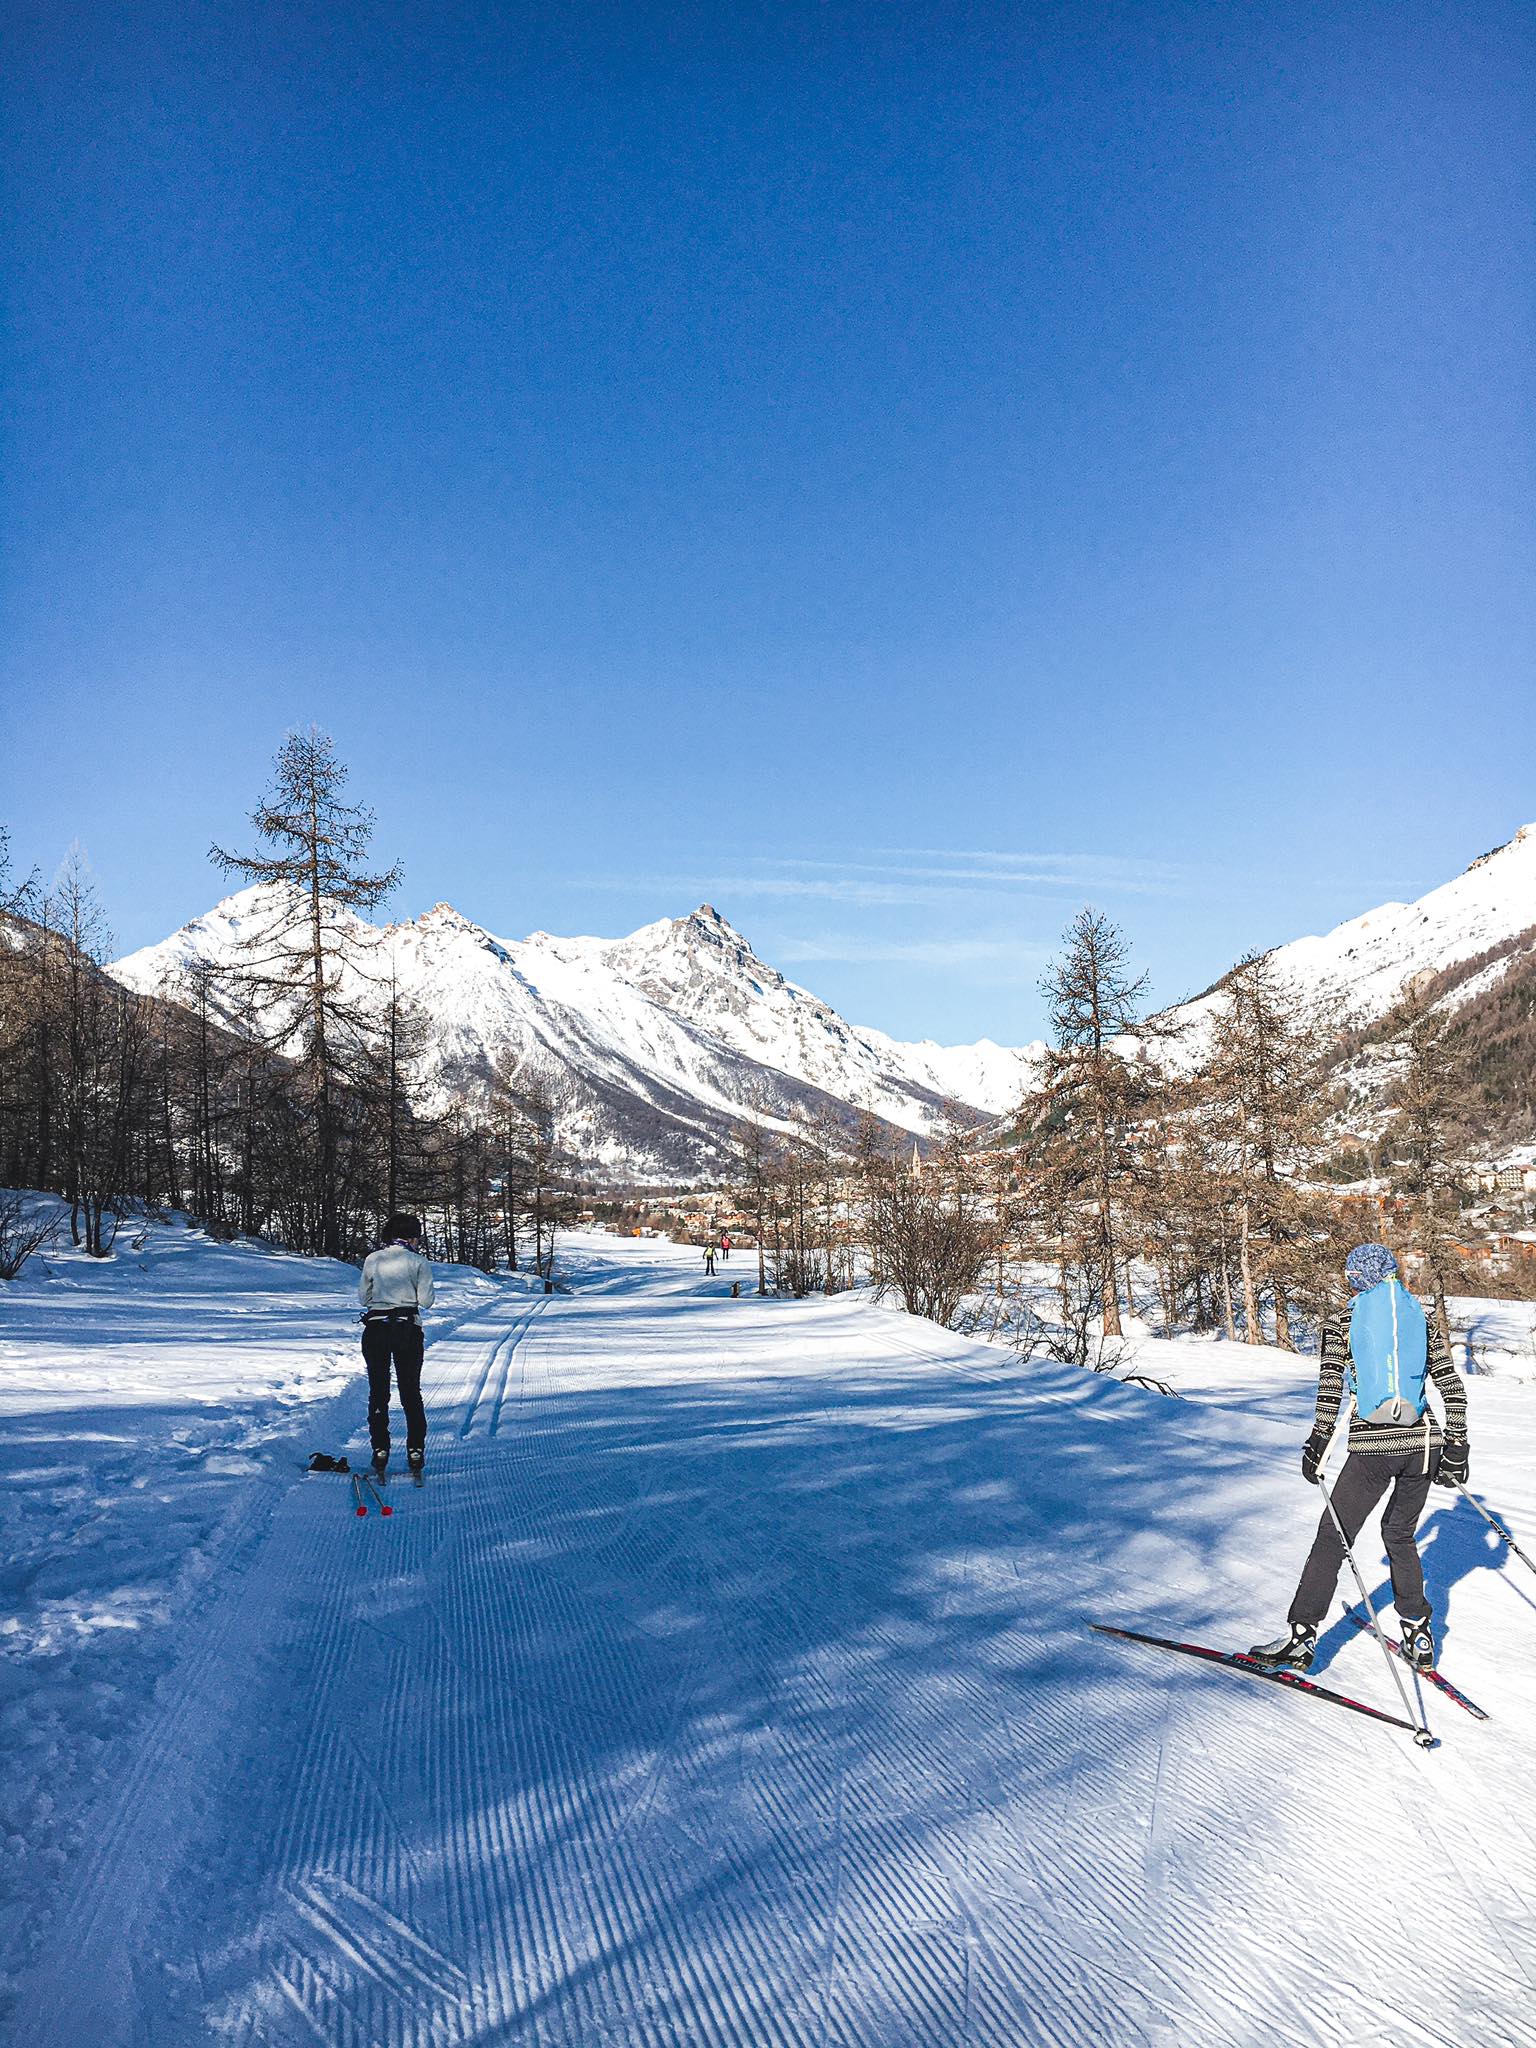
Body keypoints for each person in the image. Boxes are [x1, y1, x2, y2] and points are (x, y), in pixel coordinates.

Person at [1249, 1243, 1469, 1674]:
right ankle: (1419, 1633)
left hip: (1373, 1451)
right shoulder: (1420, 1318)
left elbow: (1332, 1390)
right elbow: (1452, 1387)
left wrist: (1317, 1444)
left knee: (1333, 1536)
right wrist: (1457, 1448)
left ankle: (1301, 1638)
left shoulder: (1343, 1321)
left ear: (1355, 1280)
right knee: (1400, 1535)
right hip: (1425, 1447)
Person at [358, 1212, 435, 1476]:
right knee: (410, 1391)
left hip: (376, 1329)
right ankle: (415, 1449)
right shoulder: (418, 1262)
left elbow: (362, 1298)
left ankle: (380, 1447)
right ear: (413, 1237)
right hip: (407, 1329)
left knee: (378, 1391)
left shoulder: (373, 1259)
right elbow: (426, 1301)